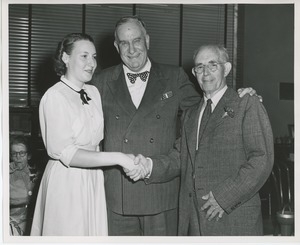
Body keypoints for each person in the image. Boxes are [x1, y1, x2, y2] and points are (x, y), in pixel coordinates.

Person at [91, 16, 258, 236]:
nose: (132, 49)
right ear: (116, 46)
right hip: (116, 197)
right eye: (124, 43)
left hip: (162, 194)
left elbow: (206, 110)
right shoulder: (101, 81)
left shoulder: (173, 76)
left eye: (137, 41)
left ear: (147, 41)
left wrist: (239, 99)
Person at [131, 44, 274, 236]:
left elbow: (261, 160)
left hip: (233, 219)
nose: (205, 72)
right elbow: (180, 158)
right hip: (193, 221)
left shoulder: (246, 103)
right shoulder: (190, 114)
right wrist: (148, 166)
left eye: (212, 65)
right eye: (199, 67)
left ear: (227, 69)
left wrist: (225, 197)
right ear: (194, 72)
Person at [30, 33, 140, 236]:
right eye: (84, 56)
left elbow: (96, 142)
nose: (92, 63)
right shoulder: (54, 97)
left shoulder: (93, 92)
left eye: (94, 56)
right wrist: (118, 158)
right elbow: (66, 153)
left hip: (93, 179)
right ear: (65, 57)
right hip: (67, 180)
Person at [10, 135, 41, 236]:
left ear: (29, 155)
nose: (18, 157)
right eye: (14, 153)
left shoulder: (36, 173)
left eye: (22, 153)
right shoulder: (5, 173)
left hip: (33, 223)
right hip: (12, 222)